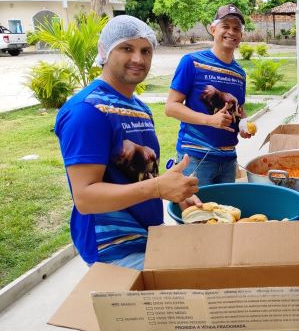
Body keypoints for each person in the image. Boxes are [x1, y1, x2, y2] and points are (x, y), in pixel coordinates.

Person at [55, 15, 200, 270]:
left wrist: (172, 190)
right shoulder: (87, 111)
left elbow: (139, 175)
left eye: (146, 51)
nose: (138, 59)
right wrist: (157, 188)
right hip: (114, 248)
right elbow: (85, 197)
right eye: (127, 48)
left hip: (148, 236)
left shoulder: (140, 108)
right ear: (105, 51)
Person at [165, 4, 252, 186]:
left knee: (224, 213)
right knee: (195, 213)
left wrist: (243, 124)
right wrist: (209, 120)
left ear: (241, 36)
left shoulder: (239, 73)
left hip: (228, 159)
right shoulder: (192, 62)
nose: (231, 32)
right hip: (196, 158)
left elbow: (239, 110)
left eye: (236, 28)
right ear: (213, 29)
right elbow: (171, 107)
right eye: (225, 26)